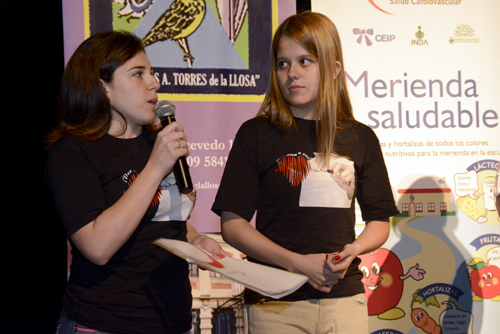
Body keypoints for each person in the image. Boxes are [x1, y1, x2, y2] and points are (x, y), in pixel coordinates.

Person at [211, 11, 399, 334]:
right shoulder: (255, 134)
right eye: (283, 64)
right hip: (275, 304)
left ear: (334, 69)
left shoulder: (360, 137)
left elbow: (380, 222)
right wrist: (298, 264)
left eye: (305, 61)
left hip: (344, 301)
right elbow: (232, 225)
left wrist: (353, 250)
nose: (292, 74)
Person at [45, 30, 223, 334]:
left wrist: (195, 239)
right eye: (137, 74)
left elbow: (160, 214)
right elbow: (97, 246)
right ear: (103, 87)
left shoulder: (155, 142)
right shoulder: (73, 152)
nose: (154, 82)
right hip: (103, 323)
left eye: (151, 73)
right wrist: (155, 168)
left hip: (173, 321)